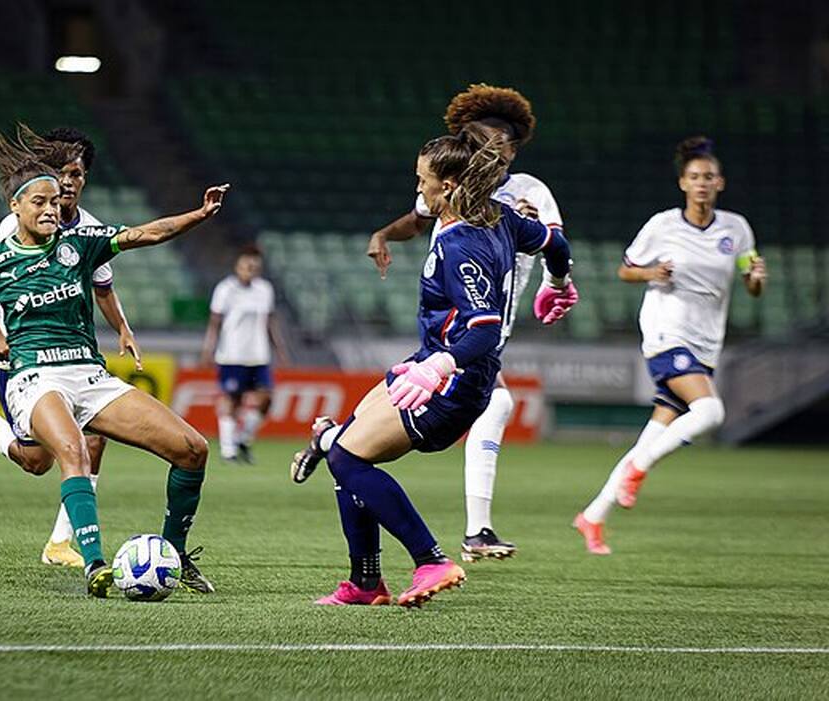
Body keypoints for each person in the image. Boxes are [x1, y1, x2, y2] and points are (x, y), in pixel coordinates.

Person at [0, 124, 229, 596]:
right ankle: (94, 563)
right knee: (70, 452)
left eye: (56, 201)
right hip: (31, 376)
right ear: (15, 208)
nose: (53, 207)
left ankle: (173, 555)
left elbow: (145, 233)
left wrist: (199, 213)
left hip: (89, 375)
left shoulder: (83, 242)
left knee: (192, 449)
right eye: (41, 202)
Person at [292, 85, 572, 564]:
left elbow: (552, 243)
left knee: (360, 454)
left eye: (501, 143)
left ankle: (440, 551)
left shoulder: (516, 201)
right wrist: (383, 234)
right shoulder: (455, 199)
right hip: (451, 338)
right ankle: (374, 570)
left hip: (472, 338)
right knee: (354, 448)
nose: (493, 150)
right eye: (482, 141)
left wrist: (556, 282)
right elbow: (418, 219)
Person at [574, 136, 766, 555]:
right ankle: (637, 471)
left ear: (721, 183)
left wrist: (755, 278)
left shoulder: (736, 229)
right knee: (711, 410)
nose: (702, 183)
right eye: (695, 177)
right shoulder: (663, 225)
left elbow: (748, 281)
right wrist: (651, 273)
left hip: (707, 342)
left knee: (652, 435)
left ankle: (593, 515)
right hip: (666, 332)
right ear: (682, 183)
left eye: (709, 177)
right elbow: (625, 271)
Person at [0, 126, 142, 570]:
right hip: (21, 354)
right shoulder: (18, 220)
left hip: (73, 358)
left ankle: (62, 542)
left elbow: (102, 288)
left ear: (84, 179)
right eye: (61, 172)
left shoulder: (93, 229)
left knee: (95, 439)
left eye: (76, 173)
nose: (68, 181)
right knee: (36, 462)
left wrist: (123, 328)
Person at [200, 244, 289, 463]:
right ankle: (228, 450)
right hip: (232, 354)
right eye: (246, 264)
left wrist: (280, 349)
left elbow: (269, 322)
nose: (250, 268)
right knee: (232, 400)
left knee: (266, 398)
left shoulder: (264, 289)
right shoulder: (225, 289)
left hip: (259, 355)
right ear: (237, 266)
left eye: (254, 264)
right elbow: (215, 323)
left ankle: (243, 438)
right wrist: (208, 350)